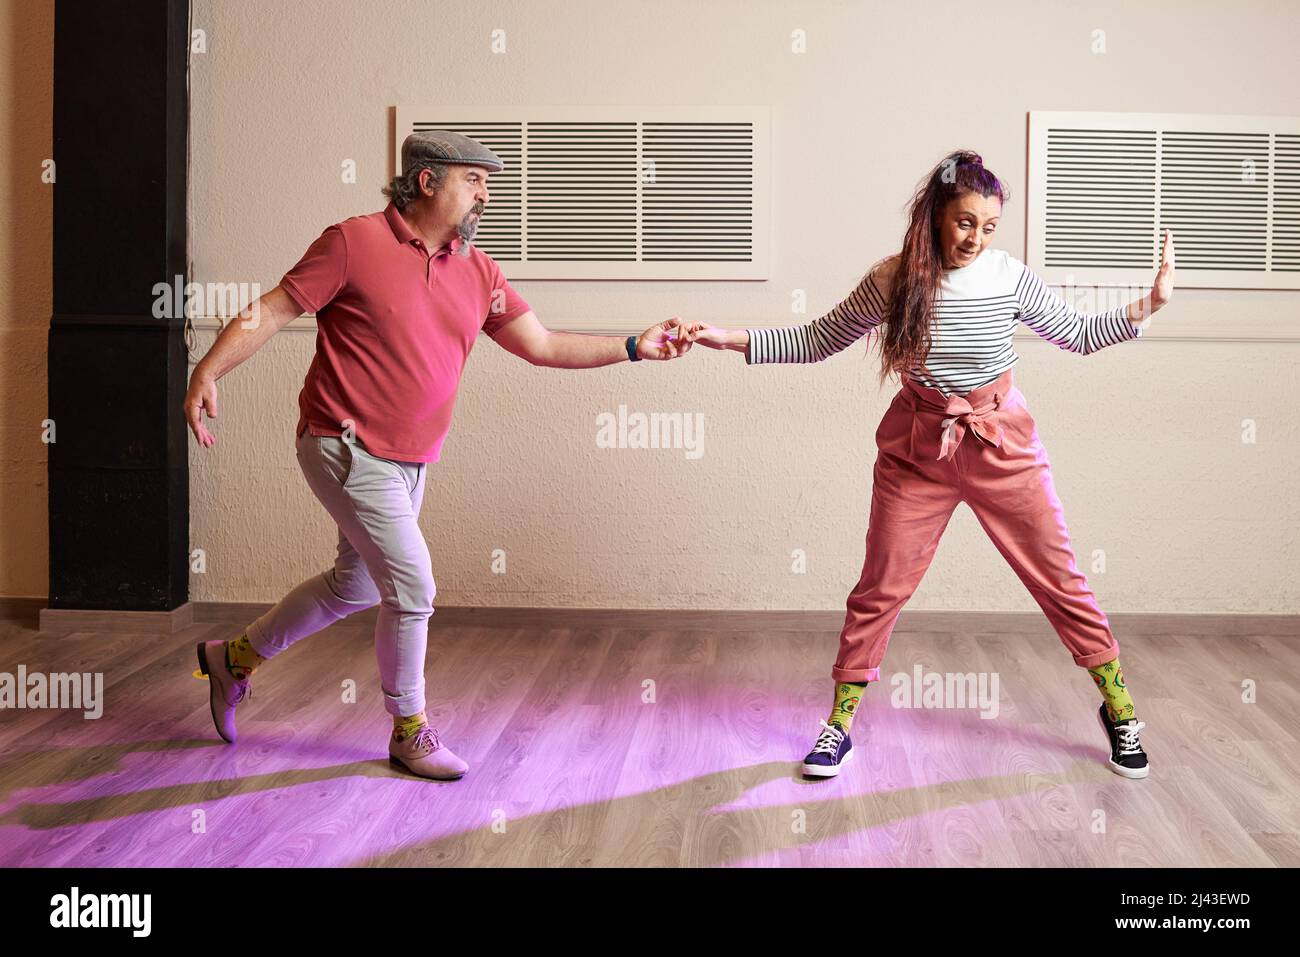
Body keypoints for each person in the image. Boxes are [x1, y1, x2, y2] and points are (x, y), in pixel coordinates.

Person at [184, 130, 693, 780]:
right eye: (473, 179)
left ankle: (234, 658)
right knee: (414, 584)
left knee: (354, 585)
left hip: (411, 459)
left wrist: (631, 345)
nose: (485, 192)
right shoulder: (353, 241)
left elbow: (541, 343)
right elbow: (273, 309)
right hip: (341, 441)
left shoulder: (478, 271)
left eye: (487, 182)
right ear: (426, 181)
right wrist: (209, 371)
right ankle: (410, 729)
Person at [691, 150, 1175, 781]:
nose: (976, 238)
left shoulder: (1008, 276)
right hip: (919, 448)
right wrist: (728, 338)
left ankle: (1118, 709)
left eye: (990, 226)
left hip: (1001, 441)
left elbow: (1078, 333)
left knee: (1061, 579)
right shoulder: (894, 280)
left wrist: (1149, 305)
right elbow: (816, 341)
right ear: (935, 216)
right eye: (965, 222)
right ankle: (838, 727)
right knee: (879, 587)